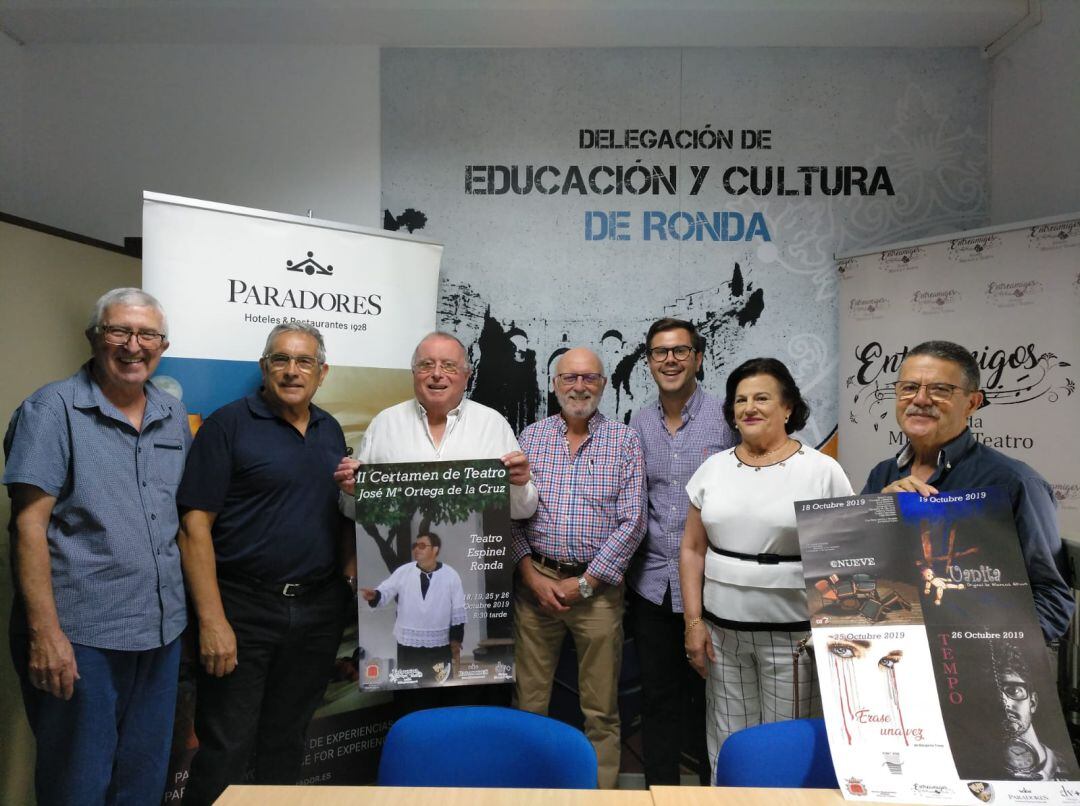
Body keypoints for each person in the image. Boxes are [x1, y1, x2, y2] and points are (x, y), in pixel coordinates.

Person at [3, 287, 188, 805]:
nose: (134, 345)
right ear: (94, 338)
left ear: (163, 344)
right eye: (119, 331)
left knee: (144, 782)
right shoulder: (50, 410)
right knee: (77, 786)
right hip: (83, 637)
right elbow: (28, 528)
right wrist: (45, 634)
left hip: (160, 630)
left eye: (147, 334)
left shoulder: (173, 415)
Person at [177, 323, 354, 806]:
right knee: (226, 748)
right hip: (243, 609)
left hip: (317, 612)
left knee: (287, 742)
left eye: (304, 362)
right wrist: (212, 621)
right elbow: (194, 528)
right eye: (281, 359)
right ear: (264, 367)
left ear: (322, 372)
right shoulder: (227, 425)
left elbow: (335, 516)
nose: (292, 371)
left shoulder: (329, 429)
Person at [679, 357, 853, 774]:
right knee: (728, 744)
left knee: (785, 748)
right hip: (722, 638)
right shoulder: (712, 469)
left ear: (788, 407)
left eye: (761, 398)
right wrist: (693, 623)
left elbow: (845, 560)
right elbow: (691, 550)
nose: (749, 408)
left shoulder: (821, 472)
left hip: (794, 642)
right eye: (740, 400)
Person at [862, 340, 1073, 641]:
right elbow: (858, 567)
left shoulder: (1014, 483)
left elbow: (1051, 594)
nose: (920, 399)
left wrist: (999, 656)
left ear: (973, 403)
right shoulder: (883, 475)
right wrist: (877, 514)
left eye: (940, 390)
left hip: (981, 668)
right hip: (897, 651)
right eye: (909, 387)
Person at [511, 347, 647, 789]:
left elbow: (634, 521)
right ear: (554, 384)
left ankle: (600, 796)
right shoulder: (530, 437)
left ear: (603, 385)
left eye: (589, 378)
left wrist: (586, 584)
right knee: (529, 703)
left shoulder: (624, 441)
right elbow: (509, 513)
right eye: (569, 378)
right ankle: (528, 791)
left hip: (599, 591)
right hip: (537, 588)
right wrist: (530, 575)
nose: (579, 387)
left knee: (602, 710)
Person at [627, 317, 735, 786]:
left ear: (698, 358)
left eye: (680, 351)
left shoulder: (727, 416)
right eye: (659, 352)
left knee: (713, 703)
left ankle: (715, 794)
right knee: (657, 700)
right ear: (648, 362)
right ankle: (661, 793)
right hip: (651, 588)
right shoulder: (638, 421)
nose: (669, 360)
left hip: (714, 589)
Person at [335, 331, 537, 520]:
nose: (437, 374)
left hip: (473, 554)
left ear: (467, 375)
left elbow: (523, 511)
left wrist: (519, 485)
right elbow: (353, 513)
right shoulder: (384, 423)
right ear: (414, 373)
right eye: (426, 365)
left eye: (449, 365)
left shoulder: (493, 425)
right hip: (401, 555)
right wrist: (352, 493)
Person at [361, 531, 467, 682]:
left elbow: (458, 609)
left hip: (439, 644)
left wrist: (456, 639)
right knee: (409, 686)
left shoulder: (451, 575)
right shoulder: (404, 571)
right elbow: (386, 589)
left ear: (435, 549)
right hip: (408, 643)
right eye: (415, 546)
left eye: (422, 546)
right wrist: (375, 595)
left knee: (440, 684)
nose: (417, 549)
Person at [993, 641, 1074, 780]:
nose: (1004, 703)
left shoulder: (1068, 767)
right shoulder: (982, 766)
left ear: (1032, 702)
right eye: (993, 695)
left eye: (1013, 690)